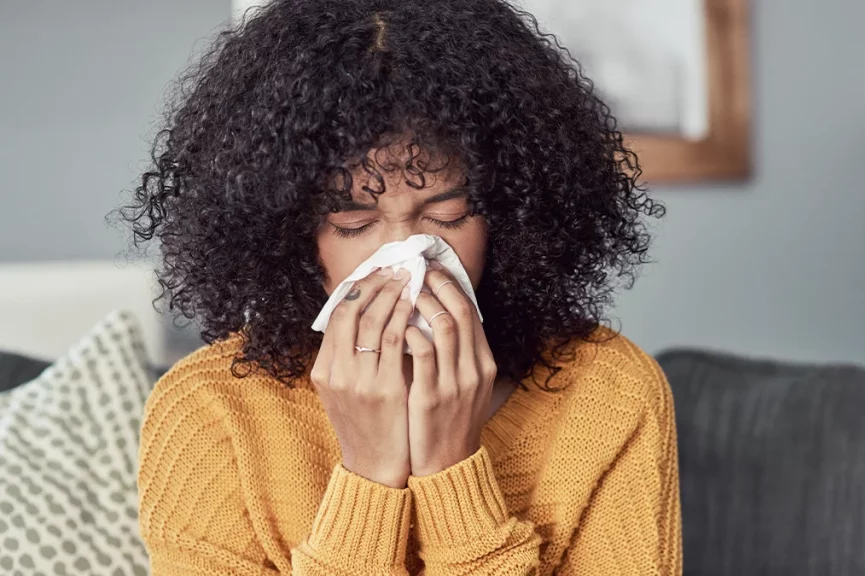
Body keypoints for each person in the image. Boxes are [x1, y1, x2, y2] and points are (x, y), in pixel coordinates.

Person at [122, 0, 681, 573]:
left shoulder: (610, 394)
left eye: (449, 212)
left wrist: (451, 470)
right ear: (289, 230)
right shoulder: (211, 413)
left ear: (509, 214)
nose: (405, 256)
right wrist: (368, 475)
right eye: (353, 222)